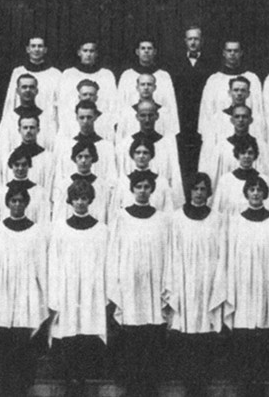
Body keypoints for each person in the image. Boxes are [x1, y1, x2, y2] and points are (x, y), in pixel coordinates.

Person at [0, 183, 50, 396]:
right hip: (3, 291)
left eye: (21, 201)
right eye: (13, 201)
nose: (17, 204)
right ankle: (3, 386)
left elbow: (41, 267)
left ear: (26, 203)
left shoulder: (36, 231)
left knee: (23, 340)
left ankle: (22, 387)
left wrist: (40, 295)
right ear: (7, 203)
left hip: (26, 292)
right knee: (3, 340)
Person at [221, 175, 269, 397]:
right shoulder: (235, 222)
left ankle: (261, 387)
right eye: (252, 189)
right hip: (243, 288)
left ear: (265, 193)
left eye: (260, 189)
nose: (256, 193)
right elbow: (229, 258)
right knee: (245, 337)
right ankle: (245, 387)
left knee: (265, 336)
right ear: (246, 193)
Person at [108, 170, 170, 397]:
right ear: (132, 189)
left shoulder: (162, 219)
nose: (142, 191)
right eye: (138, 187)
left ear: (152, 189)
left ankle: (150, 386)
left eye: (146, 187)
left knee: (151, 335)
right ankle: (132, 387)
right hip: (130, 286)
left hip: (153, 285)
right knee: (131, 337)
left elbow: (167, 253)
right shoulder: (121, 217)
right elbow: (114, 251)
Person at [164, 173, 225, 397]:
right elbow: (172, 252)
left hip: (208, 281)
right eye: (195, 189)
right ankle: (189, 384)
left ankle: (202, 384)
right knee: (186, 331)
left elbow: (221, 253)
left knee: (205, 332)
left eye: (203, 189)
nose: (199, 193)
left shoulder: (217, 219)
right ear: (189, 191)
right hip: (184, 279)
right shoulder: (176, 218)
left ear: (209, 192)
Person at [48, 179, 109, 397]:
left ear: (90, 200)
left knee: (87, 333)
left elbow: (106, 263)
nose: (80, 202)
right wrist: (55, 294)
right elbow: (54, 262)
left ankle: (82, 382)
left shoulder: (101, 230)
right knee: (69, 334)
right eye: (76, 198)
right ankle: (70, 383)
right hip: (67, 289)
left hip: (91, 289)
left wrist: (103, 293)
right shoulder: (60, 229)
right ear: (70, 200)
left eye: (84, 198)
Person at [170, 25, 213, 187]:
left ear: (201, 41)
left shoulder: (211, 64)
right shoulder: (175, 64)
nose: (193, 42)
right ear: (185, 41)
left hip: (203, 117)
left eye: (196, 39)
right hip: (182, 119)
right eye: (190, 39)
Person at [1, 37, 62, 141]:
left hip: (47, 125)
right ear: (28, 49)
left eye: (40, 46)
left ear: (45, 50)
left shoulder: (55, 74)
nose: (36, 49)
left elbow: (60, 105)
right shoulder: (18, 72)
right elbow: (11, 102)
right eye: (33, 46)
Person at [198, 39, 265, 128]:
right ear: (223, 53)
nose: (232, 54)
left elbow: (258, 111)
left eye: (236, 51)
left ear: (241, 53)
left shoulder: (252, 79)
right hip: (220, 130)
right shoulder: (214, 81)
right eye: (229, 51)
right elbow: (206, 113)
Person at [117, 37, 180, 122]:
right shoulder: (127, 76)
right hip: (131, 124)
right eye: (143, 48)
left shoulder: (164, 76)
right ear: (137, 52)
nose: (146, 51)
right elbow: (119, 105)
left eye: (149, 48)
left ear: (154, 52)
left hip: (159, 123)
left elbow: (171, 106)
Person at [51, 140, 114, 223]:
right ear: (74, 159)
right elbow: (58, 216)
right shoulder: (64, 185)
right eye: (80, 157)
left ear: (93, 158)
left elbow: (109, 216)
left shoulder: (103, 186)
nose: (83, 161)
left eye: (87, 157)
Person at [113, 136, 178, 213]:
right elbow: (115, 212)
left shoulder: (161, 182)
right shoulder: (123, 182)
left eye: (145, 152)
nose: (141, 156)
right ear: (132, 155)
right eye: (138, 152)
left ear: (151, 155)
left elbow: (168, 212)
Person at [56, 40, 118, 117]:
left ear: (96, 54)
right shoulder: (69, 74)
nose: (88, 54)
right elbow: (64, 105)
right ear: (79, 52)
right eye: (85, 51)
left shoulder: (106, 75)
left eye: (91, 51)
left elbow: (113, 105)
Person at [213, 137, 269, 215]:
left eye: (250, 153)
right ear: (237, 155)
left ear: (255, 155)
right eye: (243, 152)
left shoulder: (264, 180)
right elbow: (217, 210)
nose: (246, 156)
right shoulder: (226, 180)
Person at [0, 146, 52, 225]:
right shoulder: (2, 191)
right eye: (17, 165)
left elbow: (44, 221)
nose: (20, 168)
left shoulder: (39, 192)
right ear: (11, 166)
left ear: (29, 166)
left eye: (24, 165)